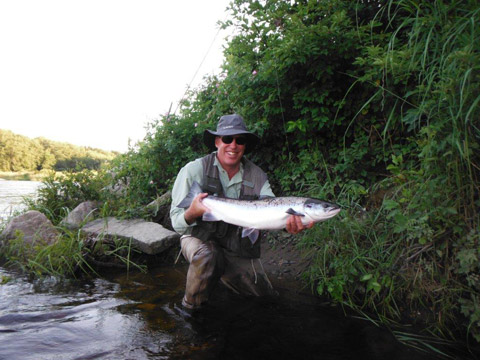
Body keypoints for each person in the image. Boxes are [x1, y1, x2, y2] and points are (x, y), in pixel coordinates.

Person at [170, 114, 312, 310]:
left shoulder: (258, 176)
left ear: (245, 145)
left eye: (240, 140)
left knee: (262, 297)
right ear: (217, 141)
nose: (233, 145)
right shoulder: (193, 170)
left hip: (236, 245)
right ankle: (189, 310)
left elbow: (271, 209)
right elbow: (177, 222)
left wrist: (289, 227)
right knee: (208, 255)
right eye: (227, 139)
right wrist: (192, 212)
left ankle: (219, 279)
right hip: (198, 239)